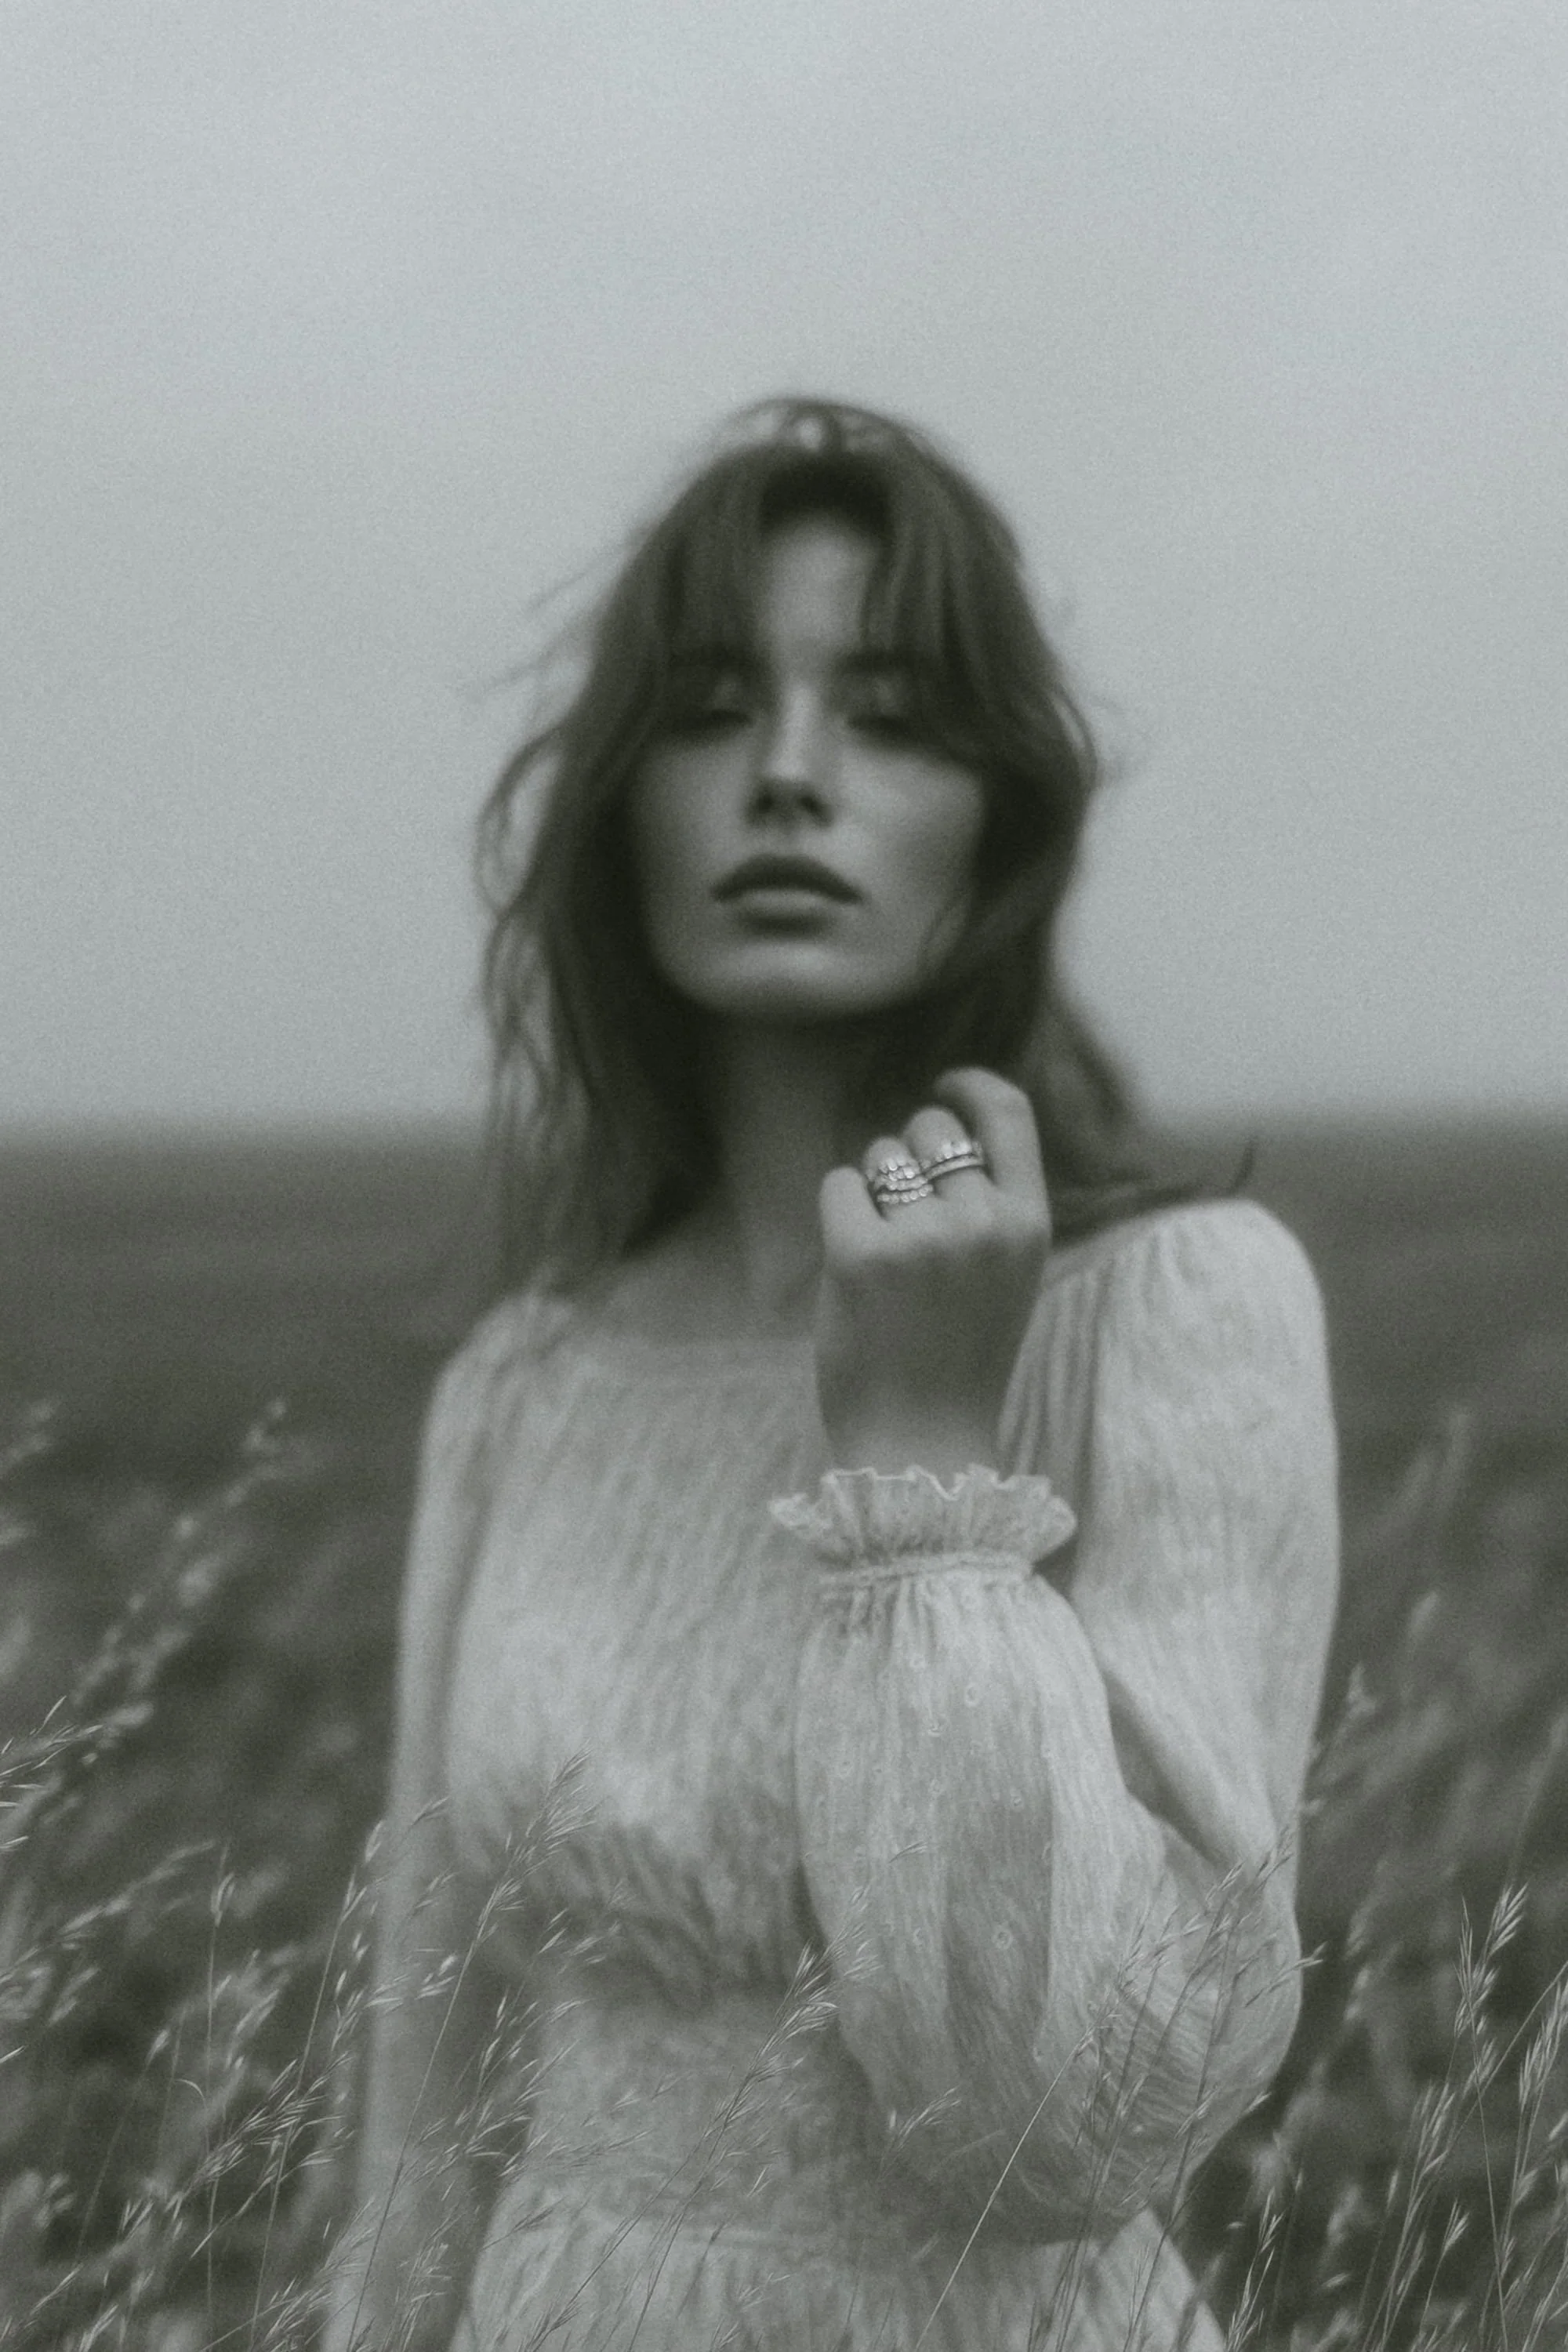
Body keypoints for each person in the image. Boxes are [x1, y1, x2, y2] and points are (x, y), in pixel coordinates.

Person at [321, 399, 1339, 2351]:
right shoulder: (525, 1380)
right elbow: (422, 2106)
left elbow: (1073, 2126)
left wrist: (927, 1477)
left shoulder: (1186, 1310)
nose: (789, 776)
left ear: (1002, 819)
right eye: (712, 709)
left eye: (884, 713)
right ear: (617, 798)